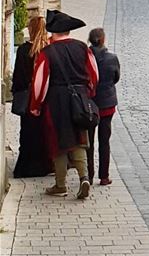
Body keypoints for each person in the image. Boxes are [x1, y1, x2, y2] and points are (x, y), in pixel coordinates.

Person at [30, 10, 99, 199]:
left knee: (58, 141)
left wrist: (36, 106)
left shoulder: (47, 52)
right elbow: (94, 74)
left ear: (53, 32)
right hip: (80, 97)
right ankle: (84, 177)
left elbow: (40, 83)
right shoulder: (82, 47)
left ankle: (61, 185)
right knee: (79, 138)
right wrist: (88, 93)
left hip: (56, 100)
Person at [11, 16, 54, 178]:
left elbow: (18, 77)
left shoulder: (23, 50)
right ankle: (43, 164)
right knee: (43, 132)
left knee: (27, 133)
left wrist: (17, 91)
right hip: (44, 98)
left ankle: (26, 167)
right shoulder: (48, 49)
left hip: (28, 98)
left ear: (30, 29)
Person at [87, 28, 120, 186]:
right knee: (104, 141)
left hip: (89, 105)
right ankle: (104, 176)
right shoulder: (111, 58)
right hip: (106, 104)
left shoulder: (85, 58)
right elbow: (116, 77)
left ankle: (89, 175)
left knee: (89, 141)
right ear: (103, 40)